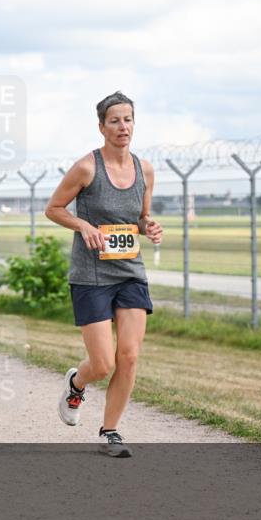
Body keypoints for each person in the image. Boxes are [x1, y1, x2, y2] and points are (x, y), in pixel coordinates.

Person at [44, 91, 163, 458]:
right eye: (114, 120)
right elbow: (53, 208)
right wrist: (83, 225)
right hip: (91, 275)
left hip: (129, 272)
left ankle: (110, 431)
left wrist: (149, 227)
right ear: (102, 127)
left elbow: (139, 218)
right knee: (103, 364)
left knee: (128, 356)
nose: (122, 126)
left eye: (127, 119)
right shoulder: (87, 168)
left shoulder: (144, 169)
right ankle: (77, 384)